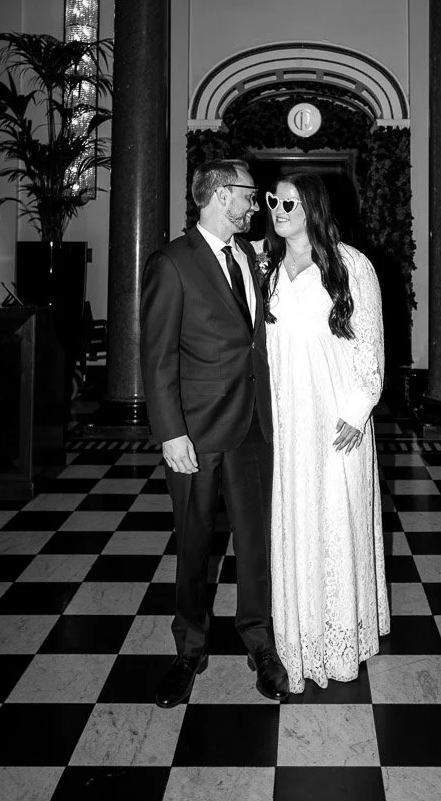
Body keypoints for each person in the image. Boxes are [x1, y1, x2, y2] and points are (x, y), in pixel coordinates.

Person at [139, 159, 290, 707]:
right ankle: (189, 647)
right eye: (250, 196)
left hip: (253, 425)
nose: (257, 206)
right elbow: (155, 358)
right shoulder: (171, 263)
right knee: (195, 542)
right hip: (196, 432)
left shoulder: (251, 256)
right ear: (221, 195)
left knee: (256, 541)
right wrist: (170, 433)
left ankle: (259, 641)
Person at [258, 173, 390, 693]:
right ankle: (297, 638)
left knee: (337, 526)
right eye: (272, 200)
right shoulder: (267, 269)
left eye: (288, 201)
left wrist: (357, 413)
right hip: (288, 426)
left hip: (337, 425)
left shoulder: (351, 265)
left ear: (312, 206)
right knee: (296, 526)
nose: (277, 208)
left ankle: (338, 638)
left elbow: (371, 351)